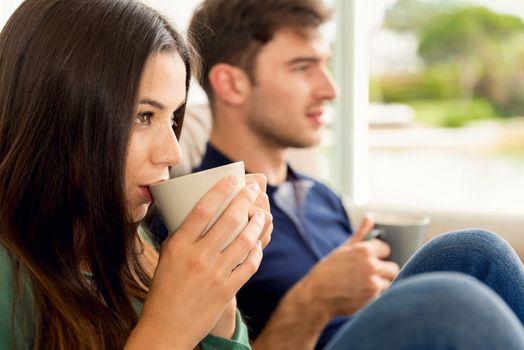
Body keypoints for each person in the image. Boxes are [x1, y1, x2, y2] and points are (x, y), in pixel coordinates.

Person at [150, 0, 524, 349]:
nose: (330, 89)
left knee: (475, 250)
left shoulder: (320, 195)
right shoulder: (199, 212)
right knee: (459, 293)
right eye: (302, 67)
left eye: (325, 65)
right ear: (232, 84)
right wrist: (312, 302)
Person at [0, 0, 272, 349]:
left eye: (173, 118)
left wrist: (219, 300)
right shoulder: (11, 283)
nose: (172, 153)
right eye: (143, 116)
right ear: (58, 114)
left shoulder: (139, 249)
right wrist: (166, 330)